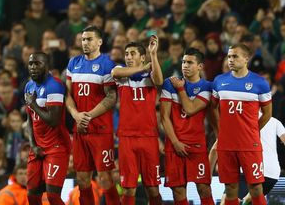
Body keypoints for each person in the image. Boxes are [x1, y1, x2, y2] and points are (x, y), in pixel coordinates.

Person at [209, 44, 272, 205]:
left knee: (256, 188)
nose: (230, 60)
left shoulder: (260, 83)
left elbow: (267, 113)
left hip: (249, 144)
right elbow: (213, 109)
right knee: (230, 189)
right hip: (226, 144)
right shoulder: (219, 81)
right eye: (229, 56)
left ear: (246, 59)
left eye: (235, 56)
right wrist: (219, 132)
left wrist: (253, 130)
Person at [64, 26, 119, 205]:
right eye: (83, 39)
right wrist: (75, 114)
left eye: (89, 39)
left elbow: (112, 96)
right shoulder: (73, 63)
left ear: (99, 42)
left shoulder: (108, 64)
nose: (85, 42)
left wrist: (89, 115)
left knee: (105, 177)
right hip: (80, 128)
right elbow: (67, 94)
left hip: (101, 129)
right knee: (82, 178)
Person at [111, 37, 164, 205]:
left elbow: (159, 81)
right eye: (126, 54)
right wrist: (143, 67)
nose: (128, 57)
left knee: (153, 187)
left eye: (132, 53)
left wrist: (153, 55)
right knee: (128, 188)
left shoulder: (150, 74)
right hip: (127, 137)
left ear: (142, 56)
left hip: (149, 137)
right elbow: (115, 73)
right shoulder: (121, 72)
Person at [160, 48, 214, 205]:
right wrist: (175, 142)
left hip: (196, 145)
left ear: (200, 66)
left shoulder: (206, 86)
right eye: (183, 62)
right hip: (174, 145)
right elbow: (164, 117)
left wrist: (181, 89)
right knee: (178, 191)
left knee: (204, 188)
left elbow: (190, 109)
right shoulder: (169, 84)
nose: (185, 65)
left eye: (190, 62)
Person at [23, 52, 70, 205]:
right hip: (37, 148)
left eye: (38, 64)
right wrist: (33, 145)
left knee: (52, 196)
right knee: (32, 195)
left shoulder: (55, 85)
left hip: (56, 146)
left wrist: (34, 104)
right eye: (31, 64)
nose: (33, 67)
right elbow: (29, 119)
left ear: (46, 65)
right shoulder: (28, 86)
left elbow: (53, 120)